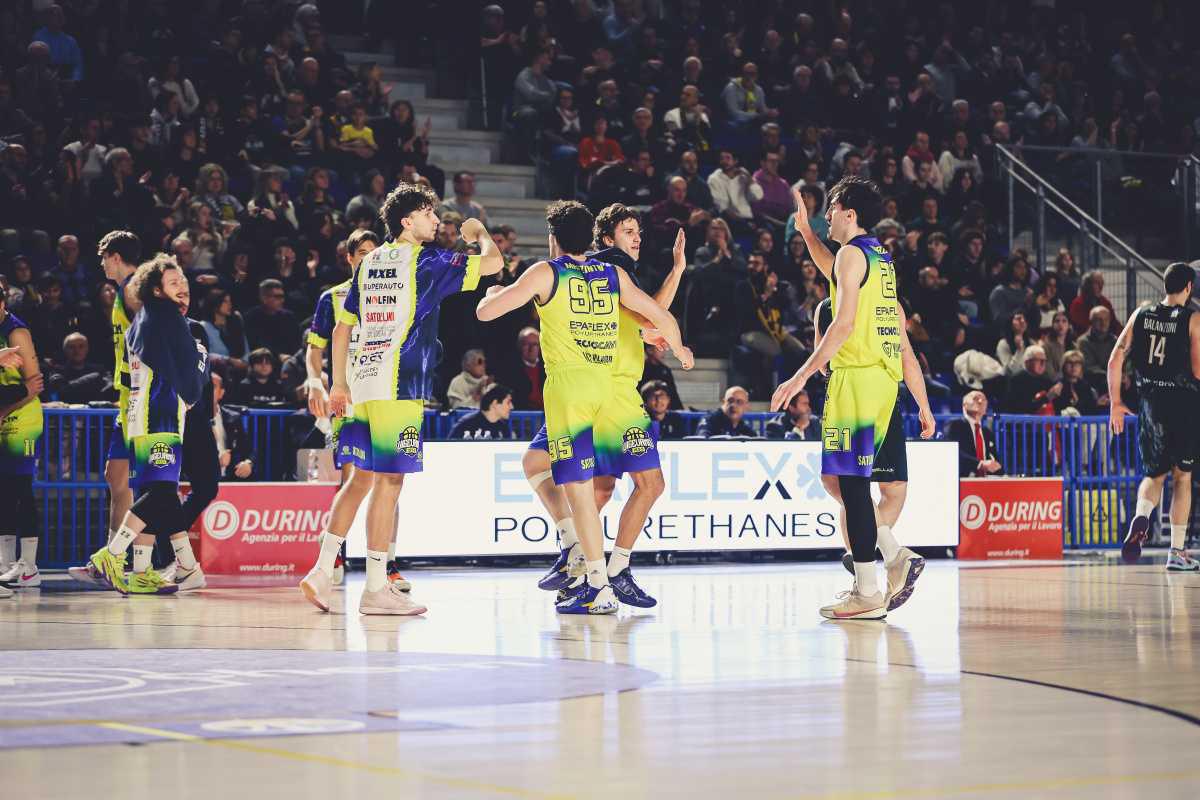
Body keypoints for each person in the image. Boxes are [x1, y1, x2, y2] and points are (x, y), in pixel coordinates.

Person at [477, 200, 693, 615]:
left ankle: (595, 575)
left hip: (574, 389)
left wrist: (493, 292)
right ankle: (590, 564)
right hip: (606, 387)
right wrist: (679, 348)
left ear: (553, 238)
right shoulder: (611, 270)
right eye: (629, 231)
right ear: (599, 237)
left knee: (583, 490)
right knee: (581, 483)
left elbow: (488, 313)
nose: (637, 238)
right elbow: (654, 313)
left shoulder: (549, 271)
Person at [301, 183, 502, 615]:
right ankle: (375, 588)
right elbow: (495, 263)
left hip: (361, 383)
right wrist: (477, 231)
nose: (438, 221)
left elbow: (342, 328)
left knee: (359, 480)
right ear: (407, 221)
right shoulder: (427, 261)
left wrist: (338, 385)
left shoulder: (369, 262)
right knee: (389, 482)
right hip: (401, 385)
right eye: (430, 214)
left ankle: (321, 569)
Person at [773, 176, 924, 620]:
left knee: (852, 484)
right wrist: (805, 233)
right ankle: (893, 556)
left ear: (849, 214)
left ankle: (869, 591)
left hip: (855, 379)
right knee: (841, 483)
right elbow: (836, 273)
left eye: (832, 209)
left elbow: (841, 325)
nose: (827, 217)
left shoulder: (852, 254)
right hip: (881, 381)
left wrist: (799, 376)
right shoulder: (877, 256)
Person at [83, 255, 209, 595]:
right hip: (161, 412)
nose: (181, 285)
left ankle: (177, 567)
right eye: (173, 282)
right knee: (162, 493)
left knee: (161, 495)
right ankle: (112, 555)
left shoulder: (141, 318)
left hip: (140, 413)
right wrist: (199, 364)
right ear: (156, 289)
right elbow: (189, 378)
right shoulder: (168, 317)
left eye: (182, 279)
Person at [304, 229, 411, 587]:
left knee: (390, 479)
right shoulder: (332, 298)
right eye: (361, 253)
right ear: (349, 258)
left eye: (373, 251)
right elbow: (315, 347)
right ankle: (332, 554)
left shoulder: (393, 292)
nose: (368, 258)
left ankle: (388, 564)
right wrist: (318, 380)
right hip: (349, 398)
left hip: (385, 393)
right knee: (356, 477)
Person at [812, 295, 937, 584]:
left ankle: (863, 558)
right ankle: (877, 555)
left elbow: (823, 362)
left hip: (851, 394)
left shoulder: (826, 307)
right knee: (879, 487)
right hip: (882, 394)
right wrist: (924, 406)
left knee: (849, 486)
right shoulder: (889, 304)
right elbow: (907, 357)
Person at [1109, 263, 1200, 571]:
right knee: (1182, 477)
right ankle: (1176, 552)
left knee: (1154, 475)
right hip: (1184, 405)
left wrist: (1116, 403)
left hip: (1150, 404)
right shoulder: (1193, 319)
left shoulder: (1140, 314)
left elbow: (1115, 358)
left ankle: (1141, 515)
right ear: (1188, 287)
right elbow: (1198, 371)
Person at [0, 292, 44, 593]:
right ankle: (4, 564)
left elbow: (34, 385)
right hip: (3, 411)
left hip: (21, 420)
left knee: (19, 490)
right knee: (3, 492)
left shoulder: (16, 332)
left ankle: (29, 566)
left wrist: (3, 412)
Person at [943, 390, 1003, 478]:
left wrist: (999, 470)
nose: (980, 401)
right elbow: (952, 452)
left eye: (983, 399)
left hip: (984, 481)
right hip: (962, 480)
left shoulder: (987, 432)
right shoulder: (955, 425)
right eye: (976, 398)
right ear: (964, 405)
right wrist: (979, 464)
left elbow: (994, 459)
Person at [447, 384, 515, 439]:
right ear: (495, 403)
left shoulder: (504, 428)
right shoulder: (466, 424)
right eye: (508, 402)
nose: (512, 407)